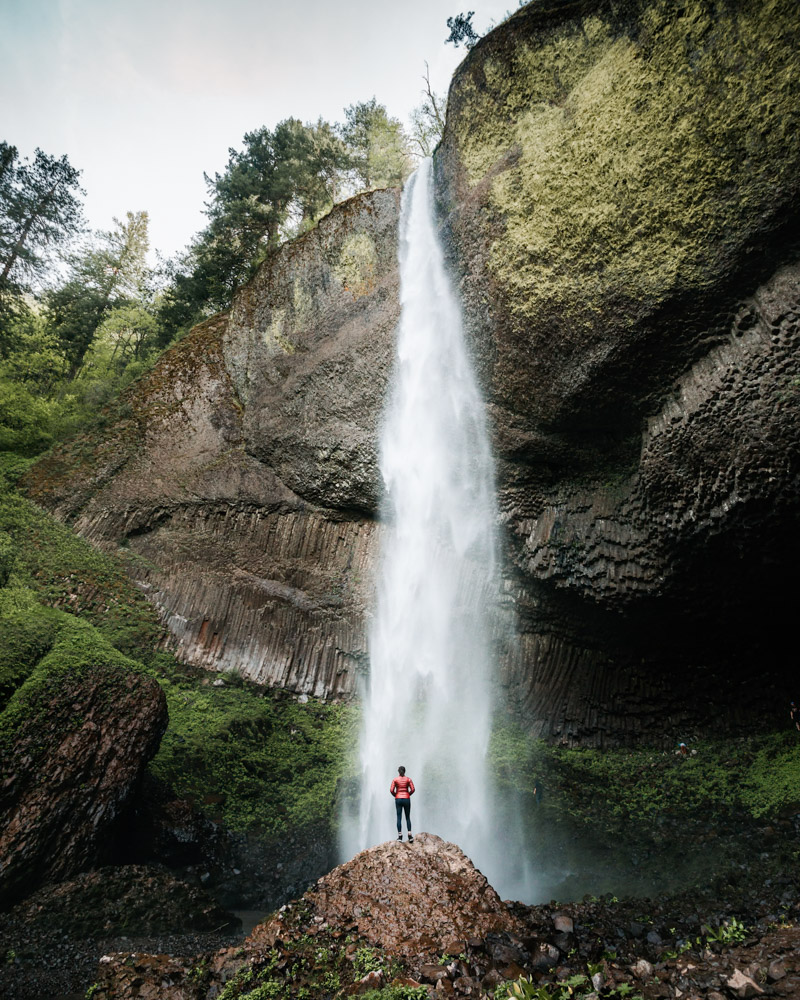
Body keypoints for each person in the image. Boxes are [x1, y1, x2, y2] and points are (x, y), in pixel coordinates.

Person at [390, 765, 415, 842]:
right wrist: (408, 794)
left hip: (398, 799)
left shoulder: (395, 780)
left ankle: (400, 836)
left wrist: (396, 795)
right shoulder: (408, 779)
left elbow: (391, 790)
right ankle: (410, 835)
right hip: (406, 799)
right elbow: (413, 789)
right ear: (405, 771)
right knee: (407, 817)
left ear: (398, 772)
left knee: (399, 817)